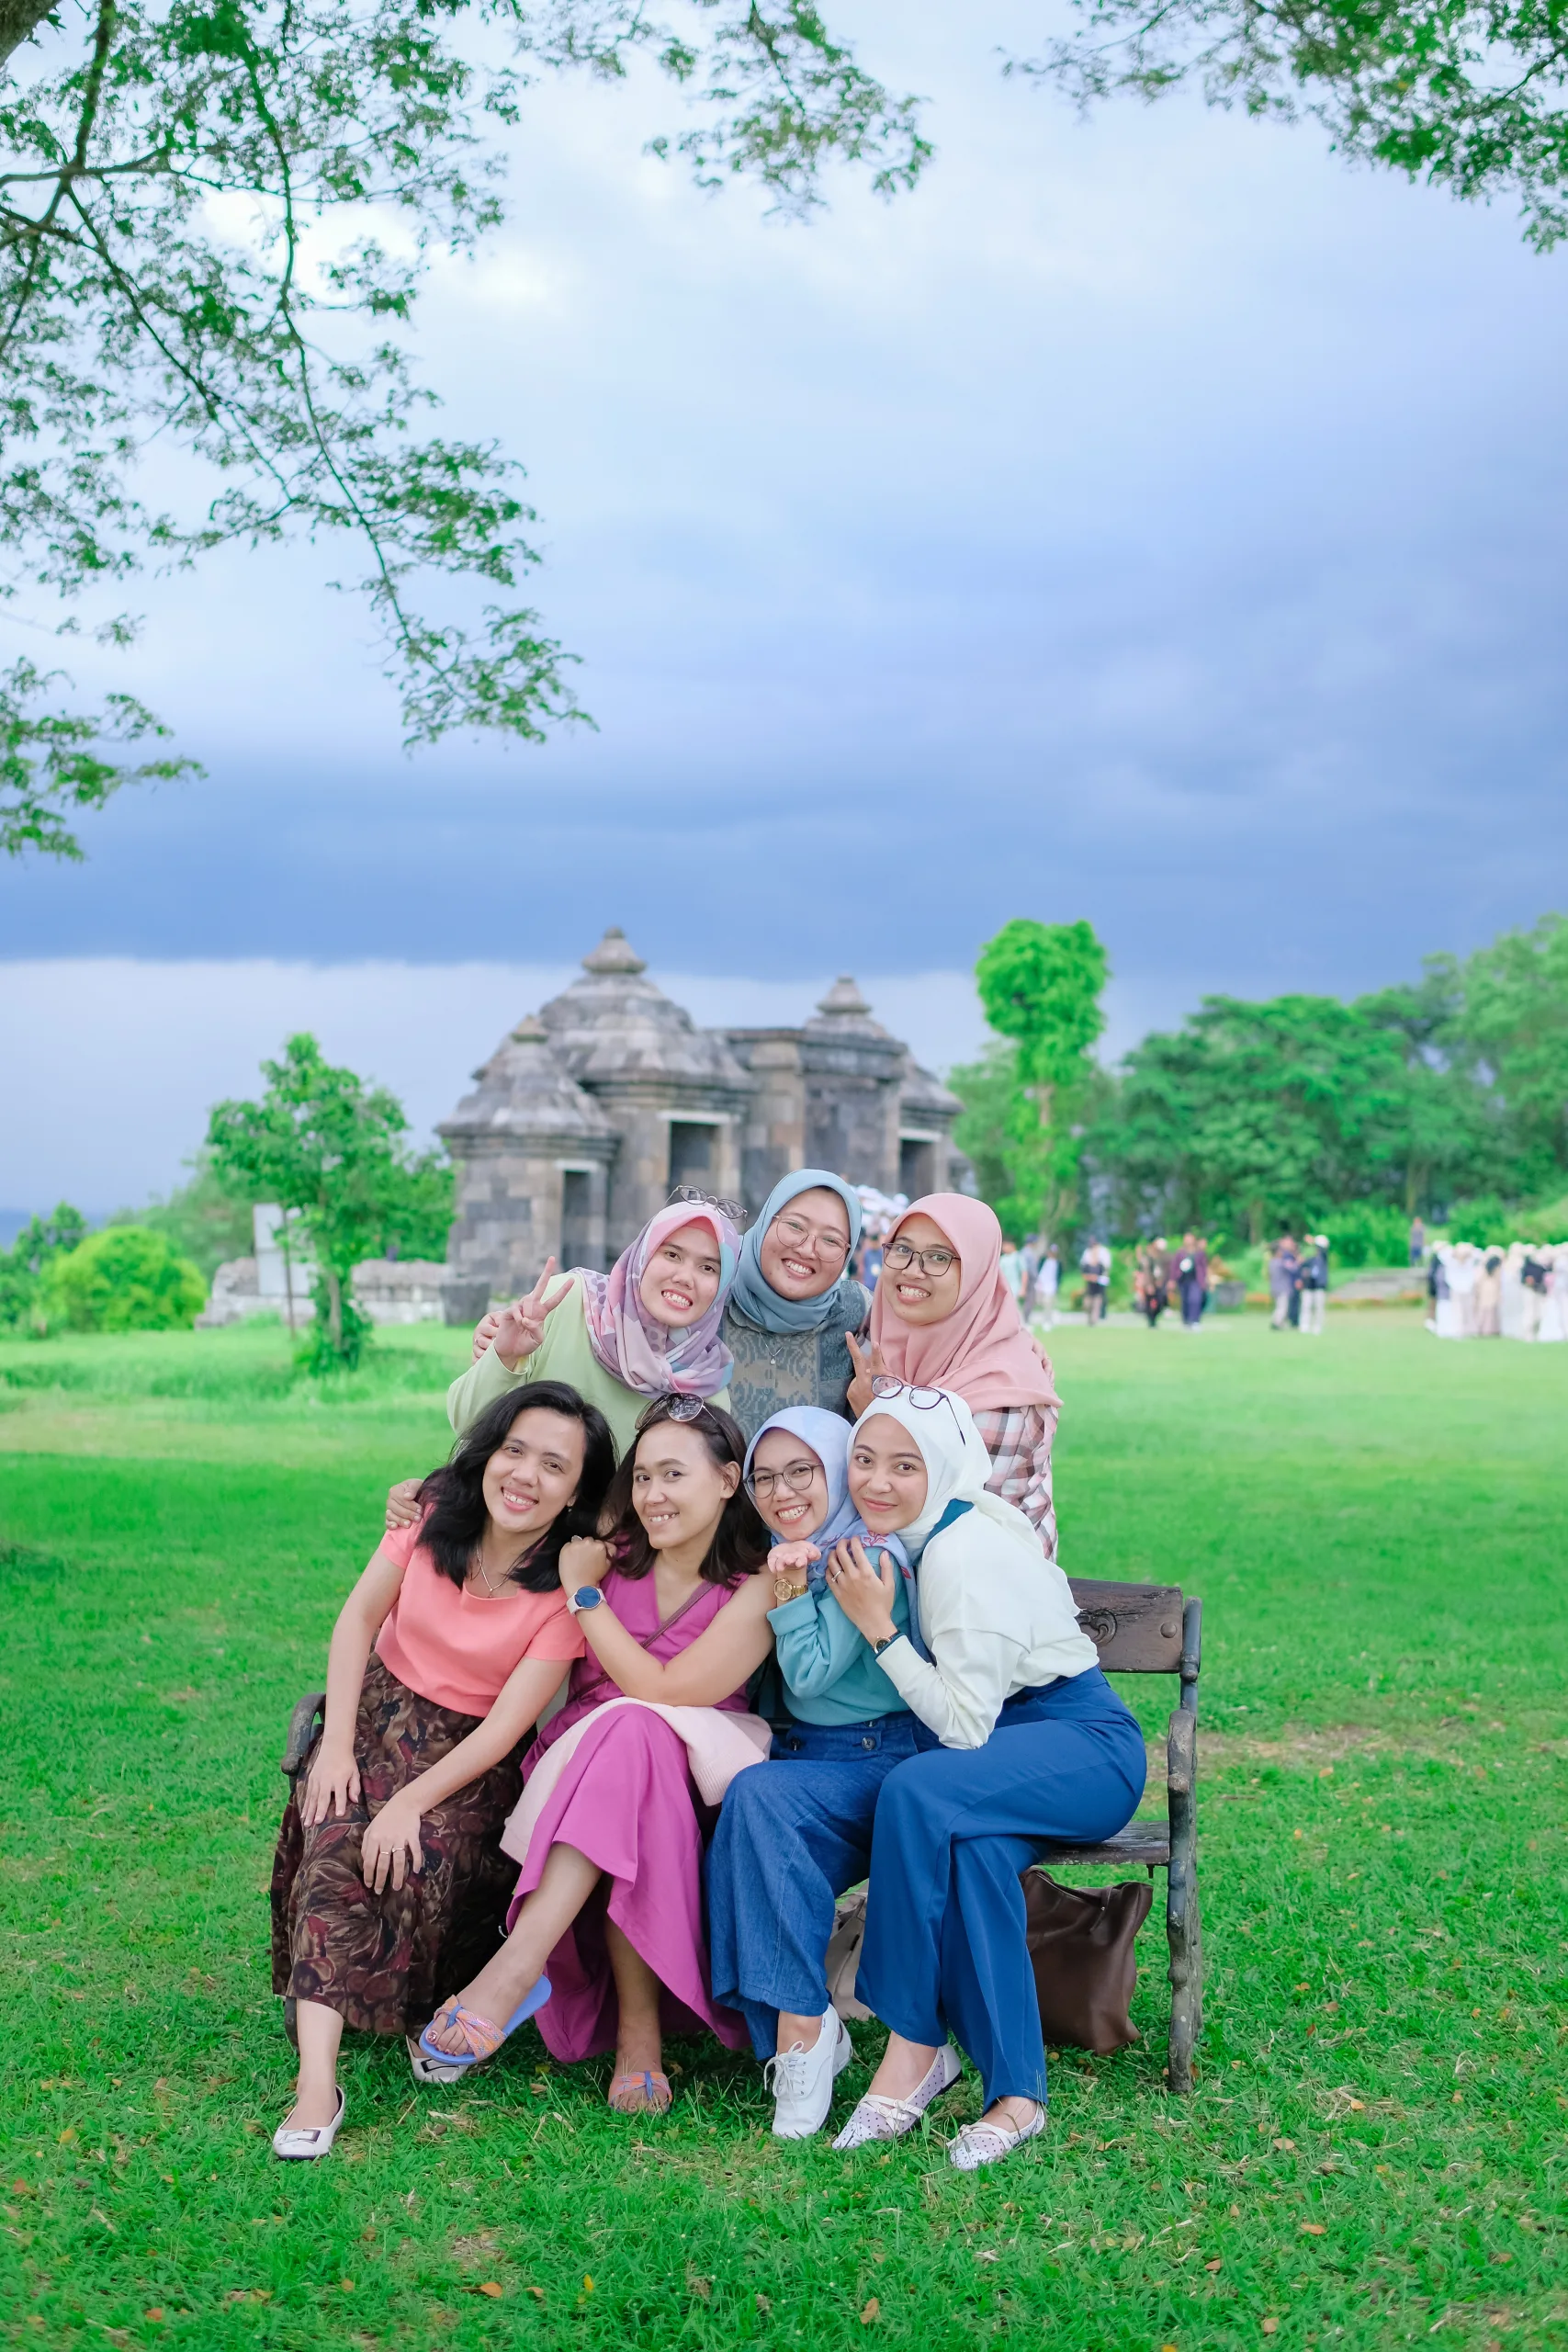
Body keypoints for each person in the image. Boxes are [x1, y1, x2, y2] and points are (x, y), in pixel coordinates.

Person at [269, 1382, 615, 2159]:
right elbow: (359, 1619)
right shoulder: (429, 1515)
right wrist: (334, 1745)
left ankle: (416, 1992)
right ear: (489, 1452)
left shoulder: (562, 1588)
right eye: (514, 1450)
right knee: (336, 1840)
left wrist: (409, 1805)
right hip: (375, 1713)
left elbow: (503, 1727)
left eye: (553, 1466)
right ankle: (316, 2085)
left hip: (467, 1759)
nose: (524, 1475)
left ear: (574, 1493)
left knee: (410, 1852)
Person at [418, 1398, 774, 2114]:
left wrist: (585, 1598)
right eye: (641, 1478)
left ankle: (516, 1969)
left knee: (636, 1728)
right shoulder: (607, 1555)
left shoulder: (759, 1582)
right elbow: (503, 1509)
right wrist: (417, 1501)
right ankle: (636, 2042)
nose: (652, 1495)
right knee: (625, 1745)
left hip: (699, 1779)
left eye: (673, 1475)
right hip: (577, 1775)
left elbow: (665, 1689)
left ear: (729, 1480)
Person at [822, 1386, 1145, 2170]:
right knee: (971, 1857)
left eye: (905, 1465)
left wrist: (878, 1628)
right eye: (863, 1459)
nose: (876, 1482)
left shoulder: (961, 1555)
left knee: (914, 1790)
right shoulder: (942, 1531)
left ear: (943, 1468)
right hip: (1018, 1752)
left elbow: (960, 1728)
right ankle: (1016, 2098)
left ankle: (913, 2040)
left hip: (1083, 1749)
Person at [705, 1407, 923, 2139]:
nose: (780, 1491)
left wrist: (791, 1593)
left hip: (878, 1760)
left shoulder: (866, 1560)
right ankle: (797, 2028)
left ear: (834, 1469)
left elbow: (809, 1669)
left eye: (801, 1471)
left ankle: (801, 2031)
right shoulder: (781, 1549)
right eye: (764, 1477)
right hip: (806, 1761)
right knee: (741, 1809)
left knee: (756, 1798)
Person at [384, 1202, 740, 1534]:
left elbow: (691, 1513)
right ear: (643, 1256)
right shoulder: (569, 1302)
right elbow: (466, 1422)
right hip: (489, 1530)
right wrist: (504, 1357)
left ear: (722, 1287)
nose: (685, 1276)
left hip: (590, 1563)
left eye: (708, 1267)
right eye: (672, 1254)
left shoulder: (704, 1384)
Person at [844, 1193, 1061, 1556]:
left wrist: (879, 1412)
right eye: (902, 1249)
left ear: (977, 1272)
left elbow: (932, 1518)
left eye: (939, 1257)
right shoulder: (872, 1337)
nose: (913, 1270)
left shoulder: (1003, 1393)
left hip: (980, 1587)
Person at [721, 1170, 870, 1438]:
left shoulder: (856, 1312)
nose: (807, 1249)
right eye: (795, 1226)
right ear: (767, 1221)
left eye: (830, 1240)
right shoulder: (711, 1293)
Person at [1174, 1232, 1208, 1330]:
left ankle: (1195, 1320)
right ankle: (1186, 1320)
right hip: (1183, 1279)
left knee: (1195, 1299)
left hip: (1195, 1280)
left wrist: (1205, 1279)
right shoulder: (1180, 1253)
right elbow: (1174, 1266)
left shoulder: (1199, 1253)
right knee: (1185, 1300)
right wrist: (1173, 1279)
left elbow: (1204, 1266)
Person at [1297, 1235, 1328, 1335]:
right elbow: (1302, 1266)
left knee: (1319, 1308)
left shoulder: (1323, 1257)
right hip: (1308, 1285)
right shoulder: (1310, 1258)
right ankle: (1304, 1326)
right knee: (1306, 1306)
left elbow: (1323, 1250)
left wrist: (1313, 1240)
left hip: (1319, 1285)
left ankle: (1317, 1327)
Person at [1269, 1236, 1298, 1330]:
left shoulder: (1271, 1262)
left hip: (1275, 1288)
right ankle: (1276, 1322)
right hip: (1282, 1288)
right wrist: (1298, 1261)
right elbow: (1293, 1268)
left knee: (1279, 1306)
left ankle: (1280, 1323)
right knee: (1282, 1307)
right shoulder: (1280, 1263)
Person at [1079, 1238, 1111, 1326]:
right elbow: (1083, 1273)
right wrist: (1090, 1277)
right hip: (1090, 1285)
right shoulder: (1087, 1259)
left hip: (1099, 1286)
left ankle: (1094, 1321)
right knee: (1088, 1303)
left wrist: (1096, 1278)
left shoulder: (1101, 1262)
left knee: (1097, 1303)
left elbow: (1104, 1272)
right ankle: (1089, 1319)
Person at [1032, 1241, 1061, 1329]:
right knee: (1039, 1303)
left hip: (1051, 1287)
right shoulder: (1044, 1261)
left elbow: (1058, 1276)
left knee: (1048, 1304)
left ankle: (1047, 1321)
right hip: (1041, 1286)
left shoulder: (1058, 1263)